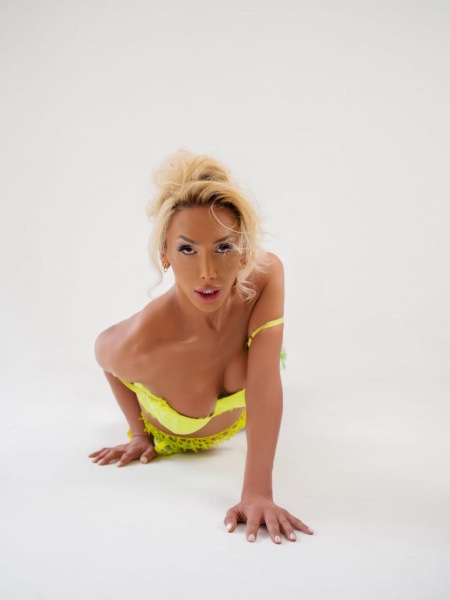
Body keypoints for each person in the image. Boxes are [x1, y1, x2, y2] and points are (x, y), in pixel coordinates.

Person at [89, 150, 314, 544]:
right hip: (175, 431)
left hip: (244, 399)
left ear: (244, 251)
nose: (207, 273)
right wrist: (140, 435)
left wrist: (257, 493)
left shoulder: (265, 274)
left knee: (257, 363)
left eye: (224, 248)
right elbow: (105, 360)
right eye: (187, 250)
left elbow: (264, 382)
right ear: (165, 256)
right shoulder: (140, 343)